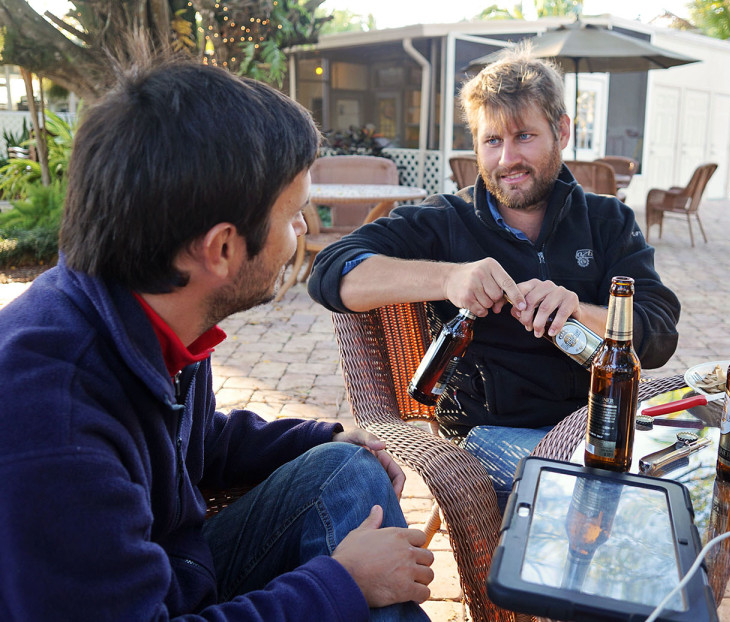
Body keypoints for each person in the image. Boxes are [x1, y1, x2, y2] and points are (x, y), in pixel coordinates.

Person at [0, 59, 434, 621]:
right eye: (294, 214)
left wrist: (323, 436)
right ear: (222, 248)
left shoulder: (151, 312)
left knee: (344, 467)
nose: (302, 231)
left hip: (179, 567)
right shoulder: (52, 429)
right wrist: (341, 584)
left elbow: (193, 440)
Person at [308, 46, 680, 508]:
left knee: (679, 489)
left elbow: (660, 331)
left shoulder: (607, 221)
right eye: (492, 141)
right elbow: (332, 271)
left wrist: (579, 311)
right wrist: (448, 280)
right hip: (491, 432)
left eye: (524, 136)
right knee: (585, 495)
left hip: (601, 422)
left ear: (561, 130)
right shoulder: (446, 220)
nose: (508, 159)